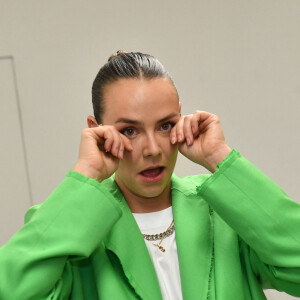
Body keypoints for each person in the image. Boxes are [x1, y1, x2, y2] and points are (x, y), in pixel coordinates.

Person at [0, 51, 300, 300]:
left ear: (181, 119)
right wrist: (87, 173)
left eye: (165, 125)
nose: (153, 149)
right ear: (96, 129)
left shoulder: (224, 213)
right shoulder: (71, 229)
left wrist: (218, 156)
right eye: (129, 131)